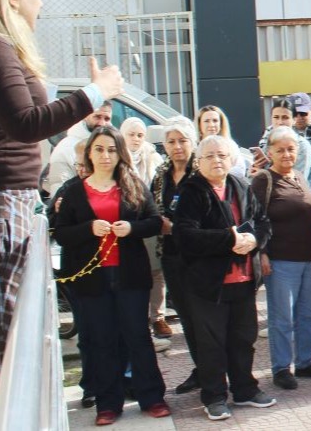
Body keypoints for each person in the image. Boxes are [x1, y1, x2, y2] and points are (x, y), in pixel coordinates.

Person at [0, 0, 124, 385]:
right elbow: (25, 124)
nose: (40, 2)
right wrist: (95, 92)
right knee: (5, 343)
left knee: (8, 337)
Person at [53, 126, 169, 425]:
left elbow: (155, 222)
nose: (106, 155)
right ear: (89, 153)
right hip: (92, 280)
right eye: (100, 149)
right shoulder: (75, 190)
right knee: (102, 340)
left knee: (137, 336)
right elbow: (62, 234)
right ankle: (108, 403)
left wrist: (131, 228)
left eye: (112, 149)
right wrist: (88, 229)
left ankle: (152, 397)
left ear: (121, 153)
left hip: (130, 274)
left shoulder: (132, 184)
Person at [174, 135, 276, 421]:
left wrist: (254, 240)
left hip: (243, 280)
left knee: (243, 338)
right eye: (210, 156)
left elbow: (263, 222)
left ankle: (245, 389)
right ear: (199, 161)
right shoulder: (191, 191)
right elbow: (185, 235)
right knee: (212, 344)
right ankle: (214, 396)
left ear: (231, 159)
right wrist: (229, 239)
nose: (217, 160)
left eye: (222, 155)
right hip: (209, 284)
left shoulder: (240, 185)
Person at [251, 126, 311, 391]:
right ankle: (282, 368)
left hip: (310, 259)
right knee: (282, 318)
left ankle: (305, 362)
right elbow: (255, 219)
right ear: (270, 151)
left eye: (291, 149)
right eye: (280, 149)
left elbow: (309, 214)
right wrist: (261, 252)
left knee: (308, 315)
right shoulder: (263, 179)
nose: (286, 154)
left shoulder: (299, 176)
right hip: (281, 260)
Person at [152, 117, 202, 396]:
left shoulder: (201, 170)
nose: (177, 146)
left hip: (199, 255)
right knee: (185, 316)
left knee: (204, 316)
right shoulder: (160, 173)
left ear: (192, 142)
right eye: (171, 141)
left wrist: (179, 227)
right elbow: (151, 205)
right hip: (171, 254)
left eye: (182, 140)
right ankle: (200, 369)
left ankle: (214, 371)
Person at [120, 116, 167, 339]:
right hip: (126, 223)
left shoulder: (153, 157)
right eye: (131, 134)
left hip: (148, 221)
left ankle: (158, 316)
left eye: (140, 135)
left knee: (156, 272)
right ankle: (138, 319)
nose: (136, 139)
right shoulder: (118, 159)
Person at [44, 103, 115, 195]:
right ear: (85, 116)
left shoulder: (114, 147)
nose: (102, 123)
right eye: (97, 117)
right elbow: (59, 193)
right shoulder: (66, 148)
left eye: (106, 119)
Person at [259, 98, 311, 185]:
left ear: (294, 120)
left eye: (285, 117)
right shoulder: (268, 143)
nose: (280, 122)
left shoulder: (302, 146)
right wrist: (255, 171)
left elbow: (297, 182)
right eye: (276, 117)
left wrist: (262, 177)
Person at [195, 105, 251, 179]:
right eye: (206, 121)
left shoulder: (231, 145)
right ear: (199, 125)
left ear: (221, 124)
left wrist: (216, 176)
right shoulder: (193, 147)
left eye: (215, 121)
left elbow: (240, 170)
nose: (211, 125)